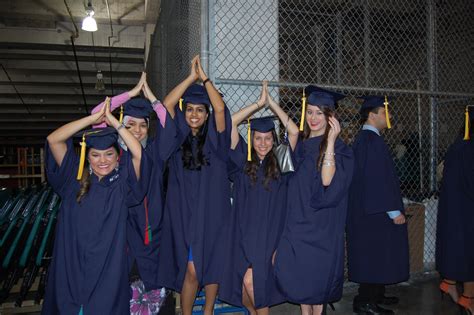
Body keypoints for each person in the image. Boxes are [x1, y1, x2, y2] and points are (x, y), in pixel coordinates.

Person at [42, 99, 151, 314]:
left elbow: (138, 153)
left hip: (107, 270)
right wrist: (92, 119)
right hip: (72, 266)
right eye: (95, 155)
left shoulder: (122, 186)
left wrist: (114, 122)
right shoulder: (72, 180)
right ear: (86, 156)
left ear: (117, 157)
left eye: (109, 154)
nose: (103, 161)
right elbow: (54, 139)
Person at [157, 56, 231, 315]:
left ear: (206, 113)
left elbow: (221, 110)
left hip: (212, 213)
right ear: (184, 111)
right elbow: (166, 104)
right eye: (189, 109)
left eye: (200, 109)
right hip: (184, 214)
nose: (194, 114)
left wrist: (205, 78)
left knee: (212, 262)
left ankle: (208, 311)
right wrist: (190, 78)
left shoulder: (216, 141)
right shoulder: (177, 138)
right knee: (192, 269)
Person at [274, 85, 354, 315]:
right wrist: (270, 103)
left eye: (320, 112)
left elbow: (328, 183)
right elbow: (282, 174)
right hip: (298, 226)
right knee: (302, 286)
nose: (313, 117)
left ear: (331, 116)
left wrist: (329, 142)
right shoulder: (298, 147)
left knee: (316, 289)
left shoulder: (342, 150)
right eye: (309, 111)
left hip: (322, 230)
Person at [90, 73, 173, 294]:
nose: (137, 130)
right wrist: (131, 94)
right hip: (118, 227)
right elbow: (96, 114)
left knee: (150, 288)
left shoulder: (155, 152)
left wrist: (153, 99)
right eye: (131, 124)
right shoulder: (113, 154)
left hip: (149, 228)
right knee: (118, 285)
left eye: (143, 125)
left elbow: (170, 128)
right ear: (121, 125)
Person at [219, 81, 294, 314]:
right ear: (251, 139)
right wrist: (257, 104)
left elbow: (293, 131)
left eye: (268, 138)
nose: (263, 143)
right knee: (243, 287)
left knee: (256, 286)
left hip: (268, 236)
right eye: (258, 138)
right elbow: (231, 122)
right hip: (241, 233)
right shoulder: (243, 161)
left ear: (273, 140)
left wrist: (272, 105)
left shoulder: (281, 161)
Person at [346, 95, 409, 315]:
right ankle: (365, 301)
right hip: (374, 212)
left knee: (379, 253)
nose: (388, 116)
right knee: (373, 255)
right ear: (372, 115)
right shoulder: (370, 142)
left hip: (371, 210)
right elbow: (376, 181)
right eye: (384, 112)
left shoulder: (368, 140)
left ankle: (377, 294)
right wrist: (393, 211)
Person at [436, 105, 474, 315]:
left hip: (453, 211)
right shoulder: (470, 150)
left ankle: (449, 283)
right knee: (468, 254)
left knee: (456, 252)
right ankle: (468, 298)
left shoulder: (457, 146)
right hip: (467, 212)